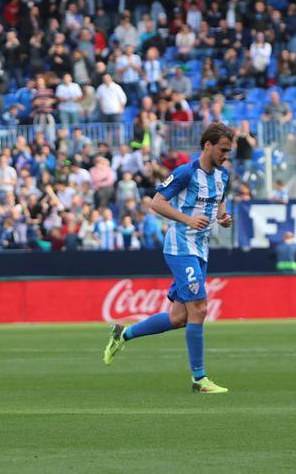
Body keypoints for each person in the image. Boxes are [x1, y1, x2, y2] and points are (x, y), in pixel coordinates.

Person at [103, 122, 233, 394]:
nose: (225, 155)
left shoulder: (223, 176)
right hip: (180, 246)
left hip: (201, 249)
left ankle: (123, 335)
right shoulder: (185, 173)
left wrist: (223, 218)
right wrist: (187, 219)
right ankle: (199, 379)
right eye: (222, 150)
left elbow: (219, 202)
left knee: (179, 317)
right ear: (207, 145)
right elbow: (156, 202)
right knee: (199, 307)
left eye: (229, 151)